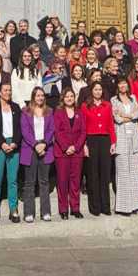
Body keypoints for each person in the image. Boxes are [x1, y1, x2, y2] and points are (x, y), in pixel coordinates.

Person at [80, 81, 116, 216]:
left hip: (105, 140)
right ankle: (95, 207)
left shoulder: (107, 105)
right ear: (91, 91)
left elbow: (111, 124)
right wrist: (84, 145)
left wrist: (113, 142)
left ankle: (105, 206)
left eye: (100, 89)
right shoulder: (85, 106)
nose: (98, 92)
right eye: (95, 89)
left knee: (105, 174)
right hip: (91, 140)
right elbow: (83, 126)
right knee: (93, 174)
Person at [0, 82, 22, 225]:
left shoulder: (15, 107)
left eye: (9, 90)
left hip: (13, 145)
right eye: (5, 90)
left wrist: (14, 142)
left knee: (12, 180)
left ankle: (13, 209)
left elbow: (20, 127)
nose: (8, 92)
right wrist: (2, 143)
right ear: (0, 92)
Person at [20, 87, 55, 222]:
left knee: (44, 182)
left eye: (42, 95)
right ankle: (29, 213)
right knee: (29, 182)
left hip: (45, 148)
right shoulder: (26, 112)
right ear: (33, 97)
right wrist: (35, 145)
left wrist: (44, 144)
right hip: (30, 148)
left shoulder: (49, 111)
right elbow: (25, 131)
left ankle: (45, 212)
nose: (40, 98)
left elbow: (52, 129)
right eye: (37, 95)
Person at [111, 77, 138, 215]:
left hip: (134, 138)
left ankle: (135, 204)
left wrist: (126, 115)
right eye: (120, 83)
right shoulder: (114, 100)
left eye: (124, 83)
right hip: (121, 138)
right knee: (123, 172)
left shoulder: (133, 98)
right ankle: (124, 207)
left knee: (134, 172)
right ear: (118, 86)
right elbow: (117, 118)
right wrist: (131, 115)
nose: (123, 85)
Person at [53, 87, 86, 219]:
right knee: (62, 181)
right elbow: (57, 131)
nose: (69, 98)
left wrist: (76, 147)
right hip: (62, 152)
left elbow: (83, 132)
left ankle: (75, 208)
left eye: (71, 96)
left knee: (75, 181)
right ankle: (63, 209)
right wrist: (66, 147)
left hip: (77, 152)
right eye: (67, 96)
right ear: (63, 98)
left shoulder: (79, 112)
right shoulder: (58, 112)